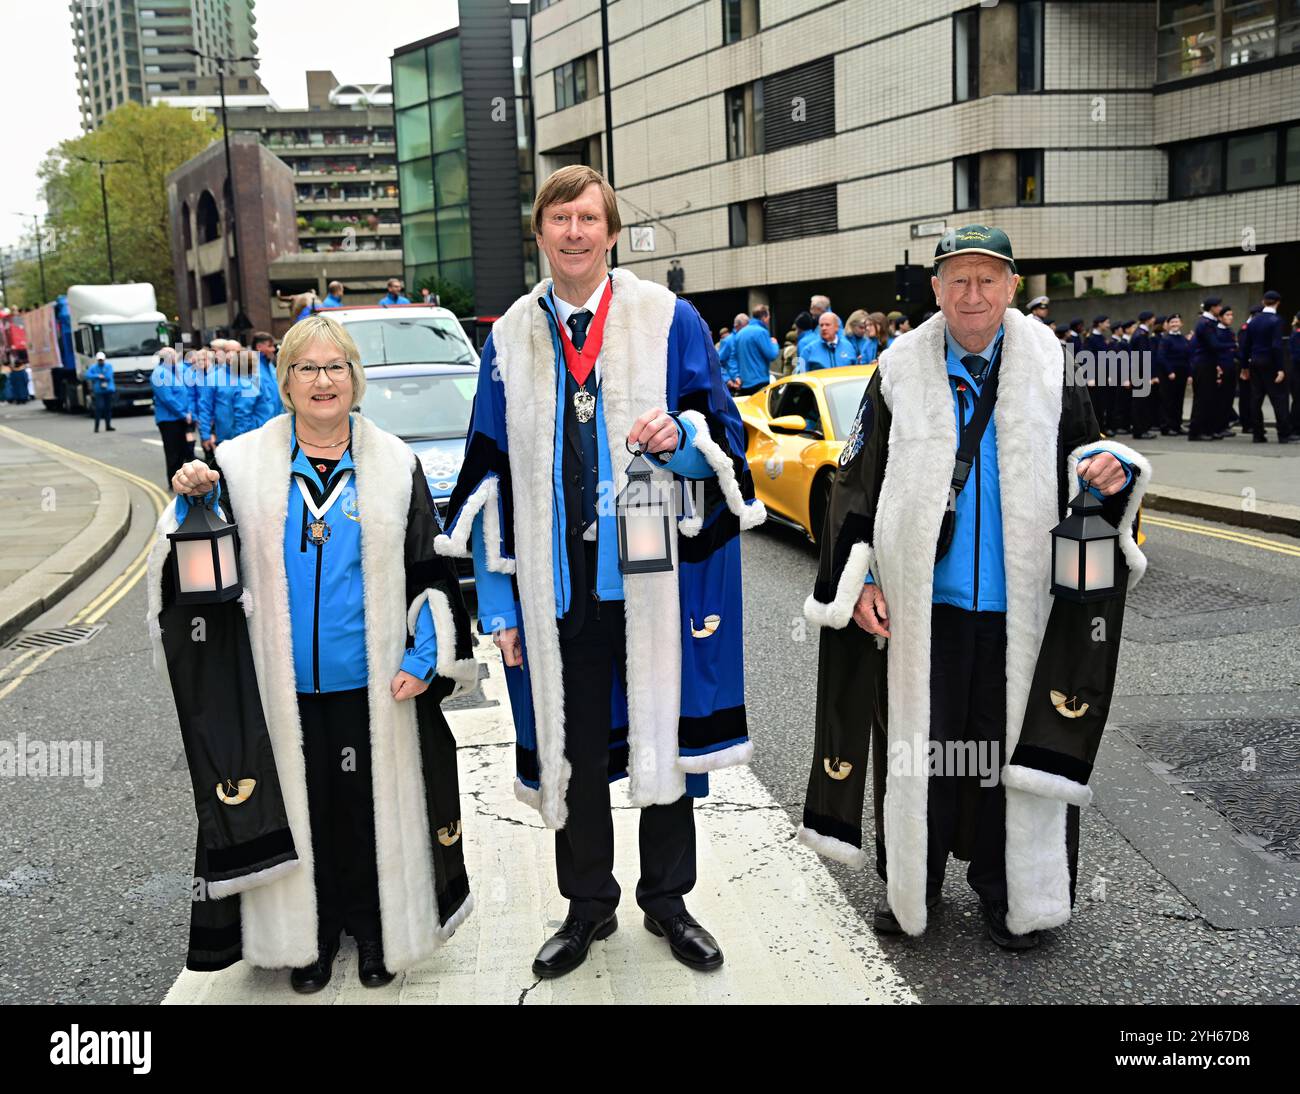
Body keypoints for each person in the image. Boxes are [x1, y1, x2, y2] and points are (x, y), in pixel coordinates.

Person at [437, 165, 765, 980]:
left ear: (611, 234)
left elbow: (724, 436)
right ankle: (588, 905)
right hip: (559, 588)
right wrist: (503, 602)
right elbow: (488, 472)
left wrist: (680, 435)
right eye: (560, 218)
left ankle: (668, 900)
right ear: (541, 233)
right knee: (572, 746)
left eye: (589, 218)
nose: (575, 232)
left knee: (664, 737)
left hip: (650, 580)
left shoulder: (668, 319)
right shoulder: (509, 334)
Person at [799, 224, 1149, 951]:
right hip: (925, 611)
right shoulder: (897, 370)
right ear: (935, 289)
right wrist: (856, 580)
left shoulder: (1051, 367)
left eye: (988, 278)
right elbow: (852, 486)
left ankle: (1010, 891)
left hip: (1022, 609)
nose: (973, 293)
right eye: (957, 279)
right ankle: (911, 888)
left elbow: (1087, 459)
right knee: (916, 756)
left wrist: (1111, 471)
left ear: (1012, 287)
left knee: (1008, 756)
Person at [156, 314, 477, 990]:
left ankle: (373, 930)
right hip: (283, 689)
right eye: (307, 368)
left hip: (372, 686)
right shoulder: (239, 466)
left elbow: (431, 571)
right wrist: (188, 501)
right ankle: (312, 935)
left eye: (336, 368)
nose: (323, 380)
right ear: (285, 381)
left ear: (355, 380)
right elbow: (193, 566)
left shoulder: (395, 464)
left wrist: (424, 659)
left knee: (367, 818)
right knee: (309, 819)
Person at [1244, 290, 1292, 443]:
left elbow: (1246, 345)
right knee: (1279, 398)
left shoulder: (1253, 321)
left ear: (1263, 302)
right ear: (1278, 303)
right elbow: (1276, 346)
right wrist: (1280, 368)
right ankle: (1283, 434)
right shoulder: (1277, 321)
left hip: (1255, 362)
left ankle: (1257, 434)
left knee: (1256, 399)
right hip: (1271, 363)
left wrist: (1245, 366)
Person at [150, 346, 194, 483]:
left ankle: (182, 482)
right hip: (169, 420)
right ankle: (174, 483)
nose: (177, 358)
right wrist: (183, 413)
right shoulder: (159, 374)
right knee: (173, 453)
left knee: (183, 452)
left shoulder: (176, 370)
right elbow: (167, 399)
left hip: (180, 417)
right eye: (174, 356)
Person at [1188, 296, 1225, 441]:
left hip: (1208, 363)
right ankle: (1196, 431)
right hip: (1202, 364)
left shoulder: (1210, 322)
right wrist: (1231, 345)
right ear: (1212, 308)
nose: (1220, 309)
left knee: (1210, 398)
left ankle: (1208, 429)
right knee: (1202, 398)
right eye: (1219, 306)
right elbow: (1213, 344)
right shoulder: (1205, 323)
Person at [728, 303, 780, 394]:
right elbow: (771, 355)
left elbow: (732, 359)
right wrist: (775, 344)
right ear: (764, 317)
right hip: (760, 382)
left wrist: (736, 376)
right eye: (768, 318)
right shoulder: (762, 332)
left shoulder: (739, 334)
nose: (768, 321)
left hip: (744, 384)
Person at [1158, 313, 1190, 435]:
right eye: (1172, 322)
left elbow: (1188, 357)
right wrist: (1169, 371)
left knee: (1179, 400)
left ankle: (1177, 425)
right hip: (1169, 375)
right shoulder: (1165, 339)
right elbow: (1161, 357)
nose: (1175, 324)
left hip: (1182, 374)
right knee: (1168, 401)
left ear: (1181, 324)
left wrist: (1190, 374)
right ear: (1168, 325)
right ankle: (1167, 426)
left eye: (1177, 322)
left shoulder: (1183, 339)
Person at [1129, 311, 1159, 440]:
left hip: (1139, 371)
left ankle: (1140, 429)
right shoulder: (1141, 334)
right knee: (1140, 403)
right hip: (1140, 372)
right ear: (1148, 320)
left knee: (1141, 402)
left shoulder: (1141, 333)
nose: (1154, 320)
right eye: (1153, 318)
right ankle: (1140, 430)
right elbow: (1143, 357)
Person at [1214, 306, 1239, 439]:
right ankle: (1217, 426)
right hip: (1221, 368)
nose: (1230, 317)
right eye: (1227, 315)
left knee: (1228, 398)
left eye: (1231, 314)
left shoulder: (1230, 331)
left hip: (1230, 367)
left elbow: (1234, 350)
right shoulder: (1216, 331)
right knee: (1220, 399)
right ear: (1220, 317)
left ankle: (1224, 425)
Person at [1084, 316, 1112, 434]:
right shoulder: (1090, 339)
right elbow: (1087, 358)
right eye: (1106, 323)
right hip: (1095, 376)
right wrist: (1090, 377)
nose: (1108, 325)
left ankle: (1102, 428)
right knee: (1096, 404)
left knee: (1103, 403)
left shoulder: (1101, 337)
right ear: (1099, 324)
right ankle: (1095, 431)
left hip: (1103, 374)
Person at [717, 312, 749, 391]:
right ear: (737, 326)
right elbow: (717, 363)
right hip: (734, 386)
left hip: (748, 383)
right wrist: (727, 380)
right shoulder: (728, 341)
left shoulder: (747, 339)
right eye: (746, 327)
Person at [86, 350, 116, 433]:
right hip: (99, 391)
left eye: (102, 360)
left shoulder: (108, 366)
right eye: (99, 360)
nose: (101, 361)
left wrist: (102, 377)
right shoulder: (93, 367)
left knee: (108, 408)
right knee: (99, 408)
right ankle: (96, 427)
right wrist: (98, 376)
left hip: (108, 390)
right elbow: (87, 375)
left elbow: (109, 376)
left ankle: (108, 426)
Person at [797, 294, 832, 361]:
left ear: (819, 309)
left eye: (812, 308)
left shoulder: (804, 342)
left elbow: (802, 365)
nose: (810, 311)